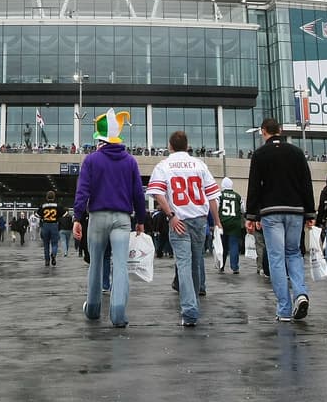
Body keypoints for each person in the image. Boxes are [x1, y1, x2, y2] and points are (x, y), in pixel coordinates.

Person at [72, 109, 146, 328]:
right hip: (122, 219)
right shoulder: (130, 161)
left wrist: (77, 217)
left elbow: (82, 191)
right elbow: (138, 193)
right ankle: (118, 313)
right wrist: (141, 219)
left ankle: (93, 309)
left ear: (101, 140)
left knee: (96, 264)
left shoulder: (91, 160)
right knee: (121, 265)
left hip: (97, 218)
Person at [147, 130, 221, 327]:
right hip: (199, 218)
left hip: (178, 219)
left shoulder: (163, 165)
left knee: (184, 264)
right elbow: (212, 196)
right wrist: (217, 221)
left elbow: (156, 193)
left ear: (170, 146)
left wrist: (170, 214)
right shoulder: (200, 164)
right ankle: (193, 303)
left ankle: (189, 310)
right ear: (187, 146)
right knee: (196, 263)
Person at [245, 118, 316, 322]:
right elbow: (306, 182)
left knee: (276, 257)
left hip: (271, 211)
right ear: (281, 131)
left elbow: (254, 186)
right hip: (295, 210)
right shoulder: (296, 152)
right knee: (294, 253)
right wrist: (310, 213)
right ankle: (301, 293)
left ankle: (284, 309)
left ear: (263, 131)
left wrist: (251, 215)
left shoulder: (259, 154)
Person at [217, 177, 245, 274]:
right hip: (234, 223)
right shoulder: (238, 196)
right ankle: (235, 267)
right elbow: (243, 209)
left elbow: (216, 208)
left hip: (222, 223)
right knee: (234, 246)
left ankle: (221, 266)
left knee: (222, 246)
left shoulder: (220, 196)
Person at [38, 191, 61, 266]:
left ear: (46, 197)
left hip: (46, 225)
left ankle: (47, 261)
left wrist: (42, 218)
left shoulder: (43, 206)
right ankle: (53, 254)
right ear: (54, 197)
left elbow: (36, 214)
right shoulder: (57, 205)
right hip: (54, 225)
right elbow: (65, 214)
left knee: (46, 244)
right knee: (55, 243)